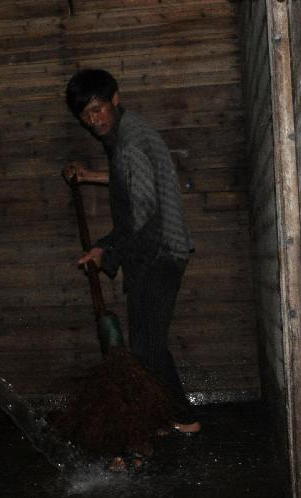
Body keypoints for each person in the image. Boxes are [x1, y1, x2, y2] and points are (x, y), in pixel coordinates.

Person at [62, 69, 201, 452]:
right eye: (86, 116)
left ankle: (184, 417)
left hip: (158, 251)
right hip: (152, 250)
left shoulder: (130, 142)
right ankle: (164, 416)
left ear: (115, 100)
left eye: (99, 110)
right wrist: (89, 175)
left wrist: (107, 248)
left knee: (147, 348)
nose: (94, 121)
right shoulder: (128, 132)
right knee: (144, 343)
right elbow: (132, 179)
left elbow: (141, 211)